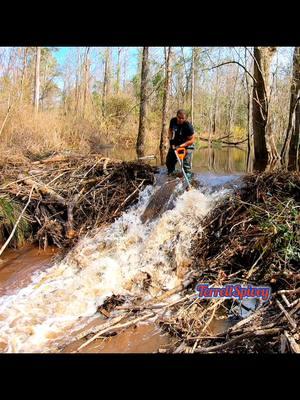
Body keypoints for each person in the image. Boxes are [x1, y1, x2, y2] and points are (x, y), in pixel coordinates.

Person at [166, 109, 195, 181]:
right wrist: (170, 139)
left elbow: (191, 140)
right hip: (176, 142)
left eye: (182, 118)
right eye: (179, 117)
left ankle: (188, 175)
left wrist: (181, 146)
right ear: (176, 116)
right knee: (169, 161)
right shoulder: (173, 121)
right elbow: (170, 130)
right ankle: (172, 172)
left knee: (185, 163)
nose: (180, 120)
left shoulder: (188, 126)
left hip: (187, 144)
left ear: (185, 119)